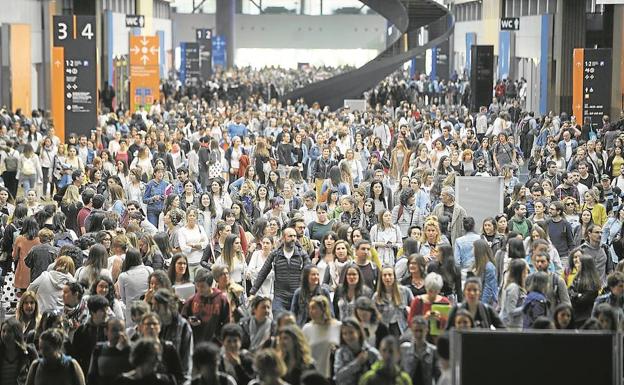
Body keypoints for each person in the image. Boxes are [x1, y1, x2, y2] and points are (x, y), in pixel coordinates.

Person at [250, 227, 311, 315]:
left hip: (297, 296)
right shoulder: (275, 254)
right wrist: (253, 292)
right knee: (278, 324)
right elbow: (263, 273)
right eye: (290, 236)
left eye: (295, 236)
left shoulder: (301, 254)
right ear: (283, 238)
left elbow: (310, 271)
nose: (293, 238)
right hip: (280, 297)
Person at [181, 268, 230, 343]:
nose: (200, 289)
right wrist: (189, 321)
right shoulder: (192, 300)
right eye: (197, 286)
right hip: (196, 342)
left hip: (216, 343)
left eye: (203, 286)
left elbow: (227, 322)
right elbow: (183, 319)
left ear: (210, 285)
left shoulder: (221, 299)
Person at [301, 295, 341, 378]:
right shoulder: (307, 328)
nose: (311, 311)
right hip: (314, 374)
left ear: (323, 309)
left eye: (314, 308)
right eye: (310, 308)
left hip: (333, 373)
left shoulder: (337, 326)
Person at [333, 318, 381, 385]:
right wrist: (357, 363)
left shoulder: (372, 352)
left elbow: (381, 375)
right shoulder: (340, 353)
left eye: (351, 332)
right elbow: (337, 377)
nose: (348, 337)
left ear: (358, 332)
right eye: (344, 333)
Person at [86, 318, 132, 385]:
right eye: (114, 330)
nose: (118, 333)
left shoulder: (132, 349)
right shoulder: (99, 349)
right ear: (106, 331)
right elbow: (91, 377)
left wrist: (127, 348)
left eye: (121, 330)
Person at [372, 267, 413, 336]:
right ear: (381, 278)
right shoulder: (376, 296)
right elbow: (372, 315)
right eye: (384, 275)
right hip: (385, 329)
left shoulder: (405, 291)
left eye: (390, 275)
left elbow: (414, 308)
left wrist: (408, 310)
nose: (387, 277)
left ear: (394, 276)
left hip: (402, 328)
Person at [400, 316, 440, 385]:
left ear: (426, 330)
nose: (418, 334)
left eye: (421, 331)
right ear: (412, 330)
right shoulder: (404, 349)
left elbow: (437, 375)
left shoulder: (433, 351)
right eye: (416, 330)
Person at [117, 248, 153, 323]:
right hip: (149, 309)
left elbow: (123, 298)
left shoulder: (123, 276)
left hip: (132, 313)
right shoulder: (149, 270)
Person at [0, 318, 38, 385]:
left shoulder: (28, 351)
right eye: (3, 331)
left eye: (9, 331)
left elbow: (37, 372)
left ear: (17, 333)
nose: (5, 334)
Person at [498, 259, 528, 330]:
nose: (527, 273)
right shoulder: (513, 288)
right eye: (526, 270)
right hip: (510, 327)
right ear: (521, 272)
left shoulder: (518, 287)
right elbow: (511, 311)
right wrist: (526, 306)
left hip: (516, 325)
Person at [470, 239, 498, 306]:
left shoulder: (489, 267)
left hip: (485, 303)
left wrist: (481, 306)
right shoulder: (476, 264)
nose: (472, 250)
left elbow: (488, 289)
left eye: (473, 248)